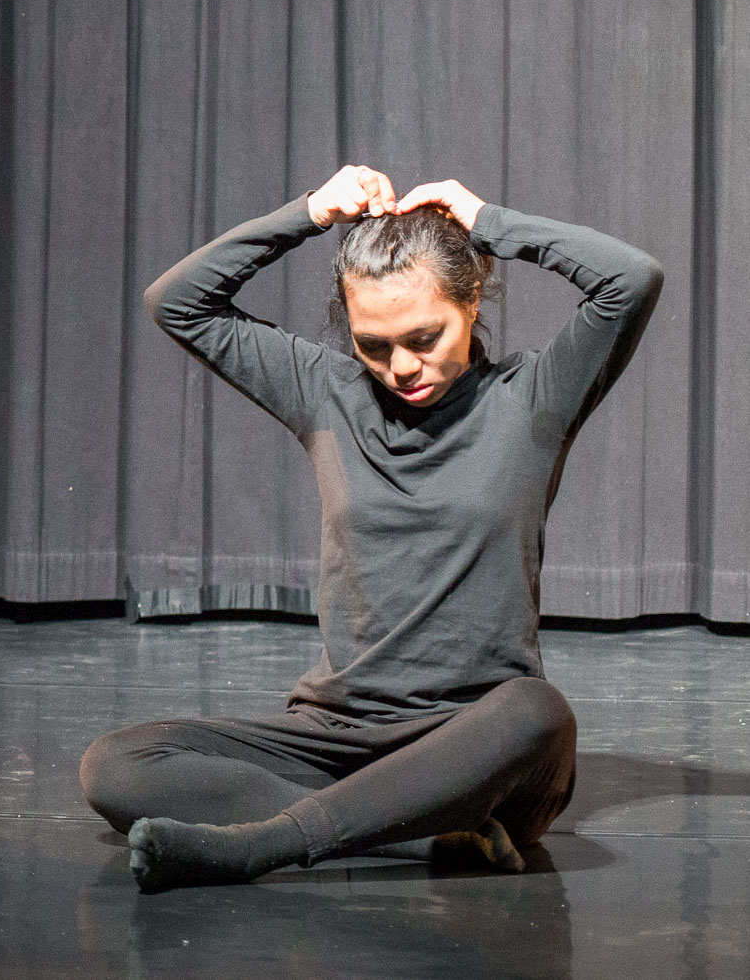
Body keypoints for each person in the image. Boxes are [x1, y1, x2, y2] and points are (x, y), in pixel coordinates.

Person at [80, 165, 662, 891]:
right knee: (117, 763)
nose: (401, 367)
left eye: (424, 337)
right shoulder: (327, 393)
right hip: (336, 737)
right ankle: (413, 839)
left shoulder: (535, 400)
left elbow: (631, 279)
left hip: (473, 745)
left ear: (471, 299)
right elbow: (177, 302)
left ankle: (266, 844)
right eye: (374, 345)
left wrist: (487, 222)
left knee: (538, 712)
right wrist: (308, 213)